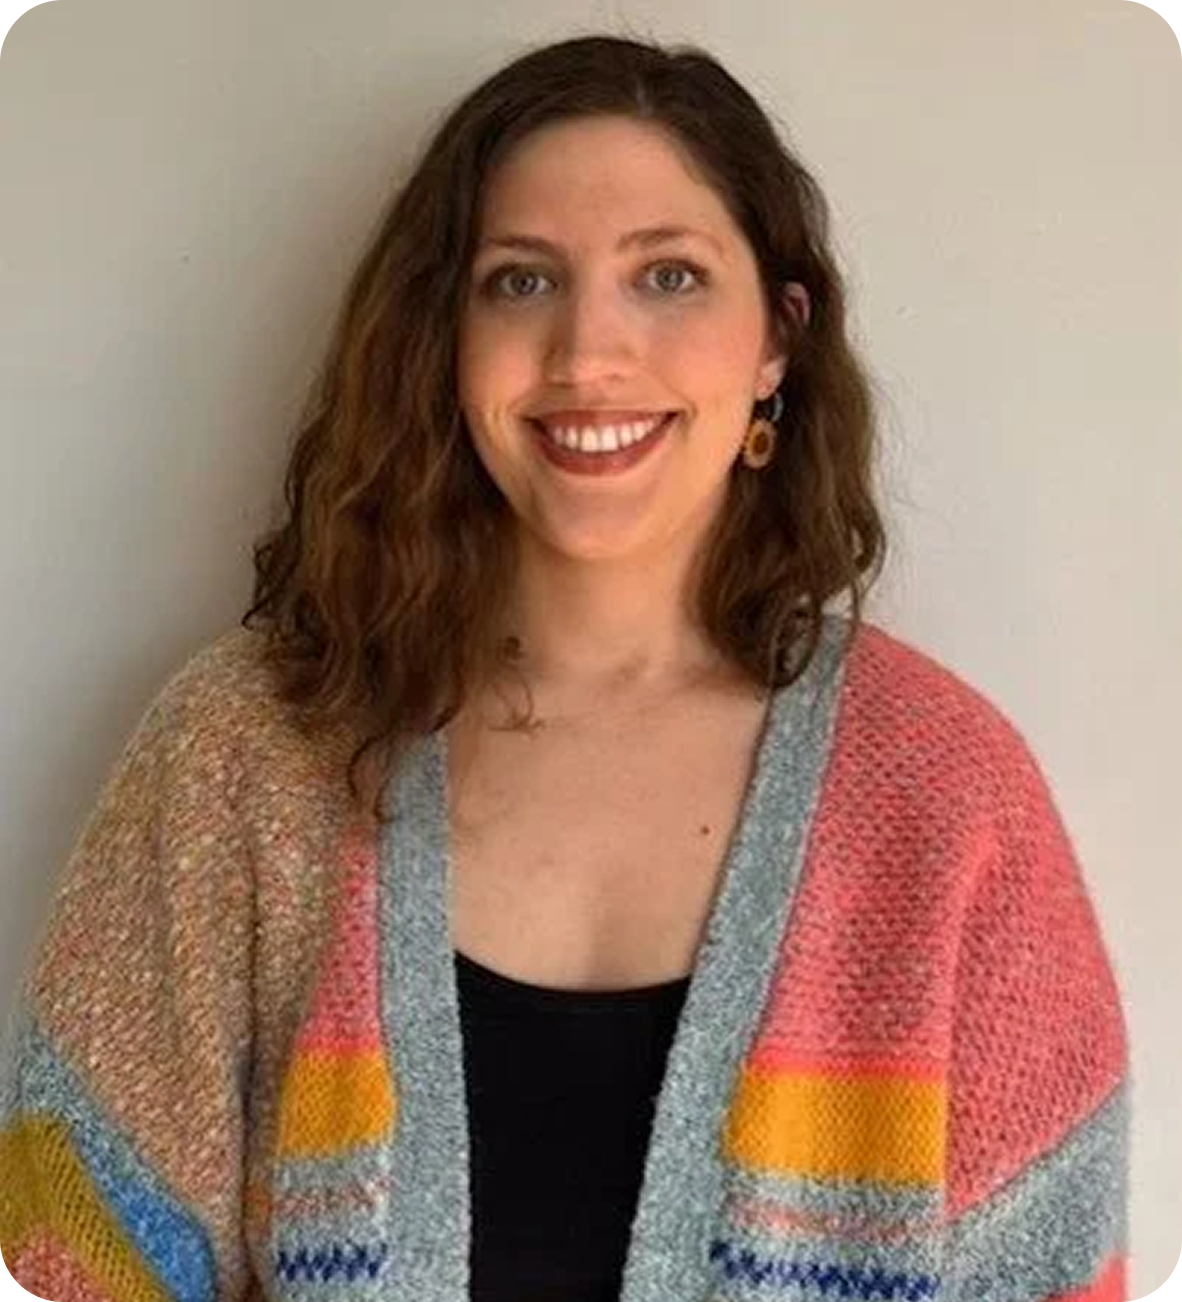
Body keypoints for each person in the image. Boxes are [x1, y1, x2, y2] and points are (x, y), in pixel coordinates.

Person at [0, 31, 1128, 1302]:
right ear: (445, 339)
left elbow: (1050, 1273)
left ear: (778, 339)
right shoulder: (249, 753)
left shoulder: (949, 800)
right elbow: (73, 1256)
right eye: (521, 283)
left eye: (670, 276)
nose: (589, 353)